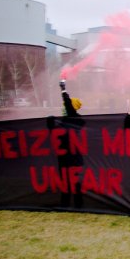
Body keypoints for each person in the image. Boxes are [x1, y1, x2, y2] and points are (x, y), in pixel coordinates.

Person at [46, 79, 86, 208]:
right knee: (64, 181)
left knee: (74, 181)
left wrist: (63, 90)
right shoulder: (63, 122)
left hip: (74, 157)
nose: (63, 108)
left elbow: (69, 107)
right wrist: (50, 124)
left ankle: (78, 204)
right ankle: (65, 204)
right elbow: (55, 135)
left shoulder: (77, 120)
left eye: (66, 106)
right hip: (63, 157)